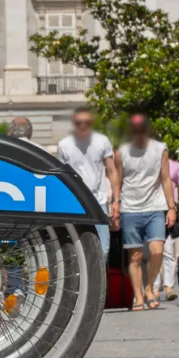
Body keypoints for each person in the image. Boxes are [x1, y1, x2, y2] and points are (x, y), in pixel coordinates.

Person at [114, 115, 177, 311]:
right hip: (130, 208)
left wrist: (171, 207)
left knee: (157, 250)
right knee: (135, 256)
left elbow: (166, 179)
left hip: (155, 206)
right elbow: (118, 180)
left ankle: (150, 288)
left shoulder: (160, 149)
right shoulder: (122, 152)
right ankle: (139, 297)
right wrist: (115, 204)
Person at [57, 107, 120, 258]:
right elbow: (61, 176)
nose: (83, 126)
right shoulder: (64, 145)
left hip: (99, 201)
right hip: (75, 202)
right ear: (74, 123)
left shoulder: (102, 141)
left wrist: (117, 201)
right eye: (79, 123)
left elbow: (112, 171)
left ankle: (97, 281)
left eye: (86, 122)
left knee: (103, 249)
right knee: (78, 248)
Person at [153, 156, 179, 301]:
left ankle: (168, 287)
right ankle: (154, 289)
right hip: (152, 209)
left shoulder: (175, 166)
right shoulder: (149, 164)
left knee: (167, 250)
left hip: (169, 210)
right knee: (153, 251)